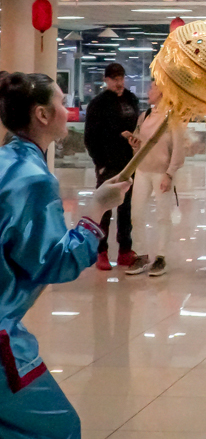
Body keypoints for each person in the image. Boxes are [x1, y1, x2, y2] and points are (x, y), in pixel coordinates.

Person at [0, 72, 130, 439]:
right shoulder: (33, 179)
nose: (68, 110)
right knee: (58, 426)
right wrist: (97, 211)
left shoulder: (7, 162)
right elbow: (53, 262)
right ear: (41, 115)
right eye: (60, 102)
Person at [124, 81, 186, 276]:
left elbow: (178, 149)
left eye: (152, 87)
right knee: (137, 213)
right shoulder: (146, 115)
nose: (149, 91)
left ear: (163, 92)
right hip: (142, 170)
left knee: (162, 215)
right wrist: (134, 142)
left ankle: (161, 256)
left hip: (161, 172)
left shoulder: (172, 118)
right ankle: (141, 254)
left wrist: (170, 173)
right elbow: (140, 144)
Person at [84, 62, 139, 271]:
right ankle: (101, 251)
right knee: (105, 209)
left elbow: (138, 127)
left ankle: (125, 250)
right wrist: (99, 164)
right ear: (106, 80)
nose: (119, 83)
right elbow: (90, 138)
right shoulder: (98, 104)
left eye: (121, 78)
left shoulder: (131, 100)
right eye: (115, 79)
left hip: (129, 162)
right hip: (108, 163)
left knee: (126, 209)